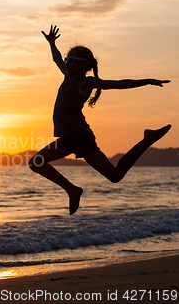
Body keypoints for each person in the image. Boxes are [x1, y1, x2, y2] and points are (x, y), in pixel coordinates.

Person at [28, 25, 171, 215]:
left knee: (115, 175)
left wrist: (146, 81)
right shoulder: (68, 77)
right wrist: (52, 43)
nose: (66, 63)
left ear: (84, 64)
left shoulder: (85, 83)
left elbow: (119, 84)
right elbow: (55, 58)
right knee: (36, 162)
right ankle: (72, 190)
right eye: (66, 59)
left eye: (71, 60)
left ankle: (147, 140)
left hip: (81, 138)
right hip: (66, 139)